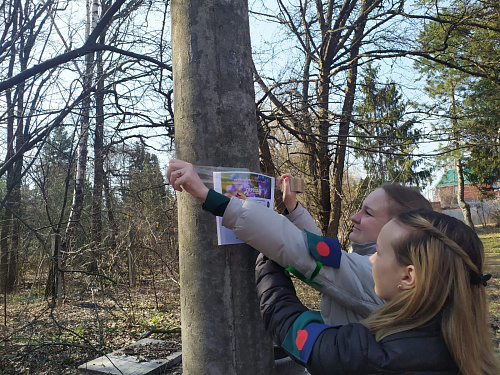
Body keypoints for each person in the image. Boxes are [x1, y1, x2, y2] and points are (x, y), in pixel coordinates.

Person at [167, 159, 432, 325]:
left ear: (395, 228)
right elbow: (331, 255)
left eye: (368, 213)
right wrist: (294, 208)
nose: (354, 217)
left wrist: (207, 195)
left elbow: (300, 249)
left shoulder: (380, 276)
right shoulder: (374, 264)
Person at [255, 210, 499, 374]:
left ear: (408, 276)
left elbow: (287, 323)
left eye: (380, 253)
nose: (371, 259)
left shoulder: (375, 353)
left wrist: (266, 260)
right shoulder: (469, 351)